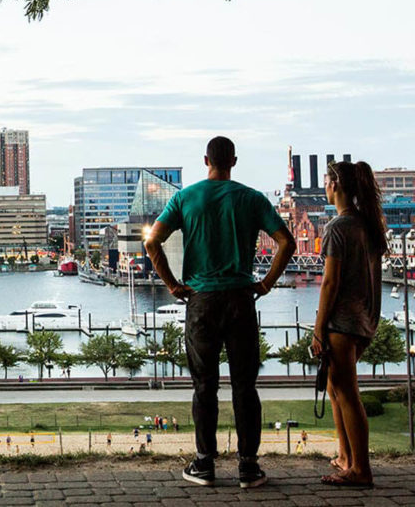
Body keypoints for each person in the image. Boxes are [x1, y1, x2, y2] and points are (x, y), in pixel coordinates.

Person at [146, 136, 296, 489]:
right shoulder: (252, 198)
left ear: (205, 160)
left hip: (201, 302)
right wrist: (266, 284)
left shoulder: (185, 198)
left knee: (204, 387)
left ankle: (204, 464)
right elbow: (287, 243)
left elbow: (152, 242)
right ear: (234, 161)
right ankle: (248, 467)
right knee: (245, 386)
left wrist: (172, 284)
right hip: (241, 300)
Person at [311, 160, 385, 488]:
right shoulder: (367, 224)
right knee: (334, 386)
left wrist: (318, 327)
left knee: (347, 393)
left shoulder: (338, 228)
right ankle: (345, 456)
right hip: (365, 319)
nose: (325, 185)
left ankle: (361, 470)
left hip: (342, 321)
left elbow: (329, 282)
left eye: (327, 180)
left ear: (336, 185)